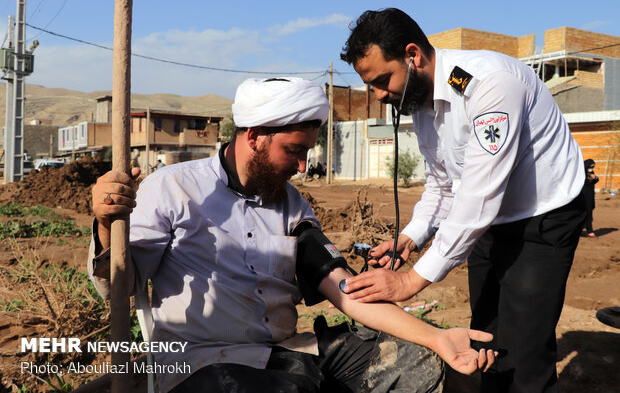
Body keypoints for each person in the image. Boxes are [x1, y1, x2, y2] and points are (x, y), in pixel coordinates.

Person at [89, 77, 495, 393]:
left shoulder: (294, 206)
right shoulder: (173, 188)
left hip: (288, 354)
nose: (303, 166)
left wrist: (438, 338)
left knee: (413, 362)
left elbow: (345, 290)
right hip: (201, 363)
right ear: (254, 137)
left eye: (307, 153)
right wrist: (107, 225)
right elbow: (117, 286)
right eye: (294, 151)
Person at [339, 8, 586, 393]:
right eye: (371, 86)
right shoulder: (419, 103)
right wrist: (412, 237)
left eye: (383, 80)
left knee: (524, 348)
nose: (379, 95)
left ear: (413, 54)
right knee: (484, 332)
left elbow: (477, 197)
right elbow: (442, 184)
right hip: (491, 222)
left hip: (544, 214)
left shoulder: (488, 85)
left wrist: (409, 281)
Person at [583, 159, 599, 238]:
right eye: (590, 167)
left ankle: (589, 230)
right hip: (582, 197)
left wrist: (594, 177)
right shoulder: (581, 173)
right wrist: (590, 178)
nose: (591, 169)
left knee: (589, 213)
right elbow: (584, 181)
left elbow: (596, 179)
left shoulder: (590, 173)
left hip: (590, 197)